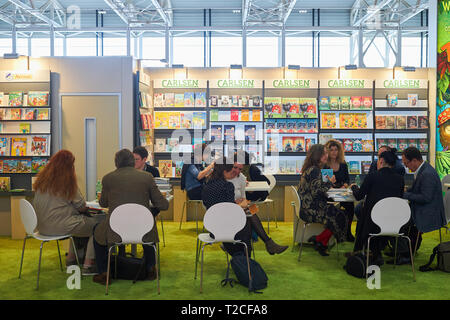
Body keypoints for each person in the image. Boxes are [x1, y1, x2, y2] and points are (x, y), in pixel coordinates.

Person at [92, 149, 169, 285]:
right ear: (132, 161)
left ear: (116, 163)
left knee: (98, 233)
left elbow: (103, 203)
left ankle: (104, 272)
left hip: (115, 227)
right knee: (149, 227)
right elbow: (163, 205)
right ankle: (151, 268)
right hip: (142, 227)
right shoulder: (147, 177)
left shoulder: (108, 178)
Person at [33, 150, 102, 275]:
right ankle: (89, 264)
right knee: (98, 226)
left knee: (76, 222)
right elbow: (81, 206)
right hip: (61, 226)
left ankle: (71, 259)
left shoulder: (41, 182)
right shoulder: (67, 183)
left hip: (42, 228)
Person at [350, 150, 405, 265]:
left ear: (381, 161)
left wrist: (354, 187)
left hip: (373, 222)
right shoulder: (400, 179)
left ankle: (363, 252)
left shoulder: (373, 176)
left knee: (363, 212)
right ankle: (376, 252)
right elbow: (399, 199)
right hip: (394, 222)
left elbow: (359, 196)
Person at [227, 152, 288, 255]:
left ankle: (263, 243)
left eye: (240, 168)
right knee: (250, 213)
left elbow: (242, 197)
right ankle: (267, 243)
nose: (237, 171)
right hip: (226, 211)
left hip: (240, 206)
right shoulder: (225, 177)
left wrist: (241, 200)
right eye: (235, 167)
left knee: (249, 212)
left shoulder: (241, 176)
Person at [395, 147, 447, 265]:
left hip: (429, 212)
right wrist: (405, 191)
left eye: (406, 163)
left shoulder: (427, 174)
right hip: (426, 208)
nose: (406, 167)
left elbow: (425, 197)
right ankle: (404, 251)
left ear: (414, 160)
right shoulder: (423, 170)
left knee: (401, 221)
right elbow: (417, 190)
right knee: (402, 219)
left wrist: (404, 195)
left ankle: (407, 254)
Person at [297, 144, 348, 256]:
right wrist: (330, 182)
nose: (327, 155)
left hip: (309, 207)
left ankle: (321, 242)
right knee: (340, 216)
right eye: (324, 153)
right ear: (317, 155)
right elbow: (318, 191)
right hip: (310, 210)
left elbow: (317, 190)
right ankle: (320, 240)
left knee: (338, 213)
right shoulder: (315, 170)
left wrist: (328, 183)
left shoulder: (312, 169)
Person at [201, 158, 253, 256]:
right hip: (229, 229)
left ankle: (238, 258)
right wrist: (241, 205)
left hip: (213, 228)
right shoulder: (228, 186)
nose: (234, 173)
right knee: (247, 225)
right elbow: (230, 211)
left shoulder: (206, 186)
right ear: (225, 172)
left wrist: (234, 203)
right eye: (232, 171)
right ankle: (245, 261)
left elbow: (217, 206)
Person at [324, 139, 355, 242]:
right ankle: (336, 232)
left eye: (336, 150)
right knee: (335, 209)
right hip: (329, 194)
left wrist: (344, 186)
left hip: (341, 192)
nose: (333, 152)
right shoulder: (325, 164)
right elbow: (324, 182)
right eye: (331, 150)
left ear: (339, 151)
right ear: (327, 151)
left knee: (350, 206)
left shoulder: (343, 164)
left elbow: (347, 179)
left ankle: (347, 232)